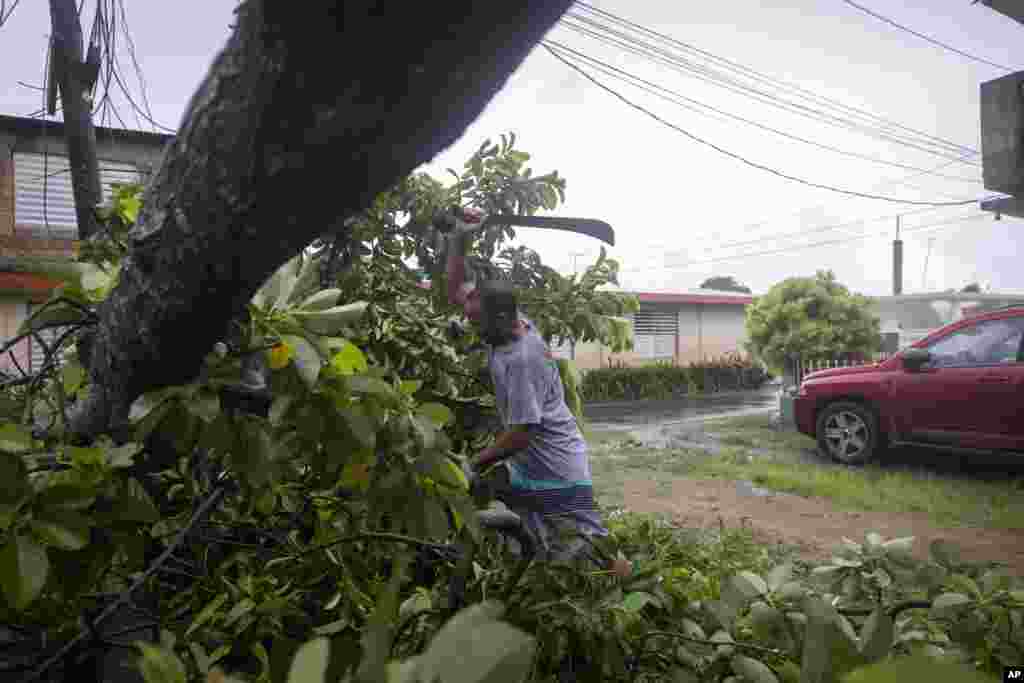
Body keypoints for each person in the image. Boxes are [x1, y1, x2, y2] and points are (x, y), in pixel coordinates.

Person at [444, 209, 629, 574]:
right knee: (543, 552)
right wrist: (460, 238)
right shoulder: (507, 318)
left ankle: (634, 598)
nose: (471, 325)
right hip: (531, 468)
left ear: (498, 319)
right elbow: (456, 288)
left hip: (558, 470)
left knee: (594, 552)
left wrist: (473, 462)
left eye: (476, 322)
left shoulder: (522, 360)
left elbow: (521, 434)